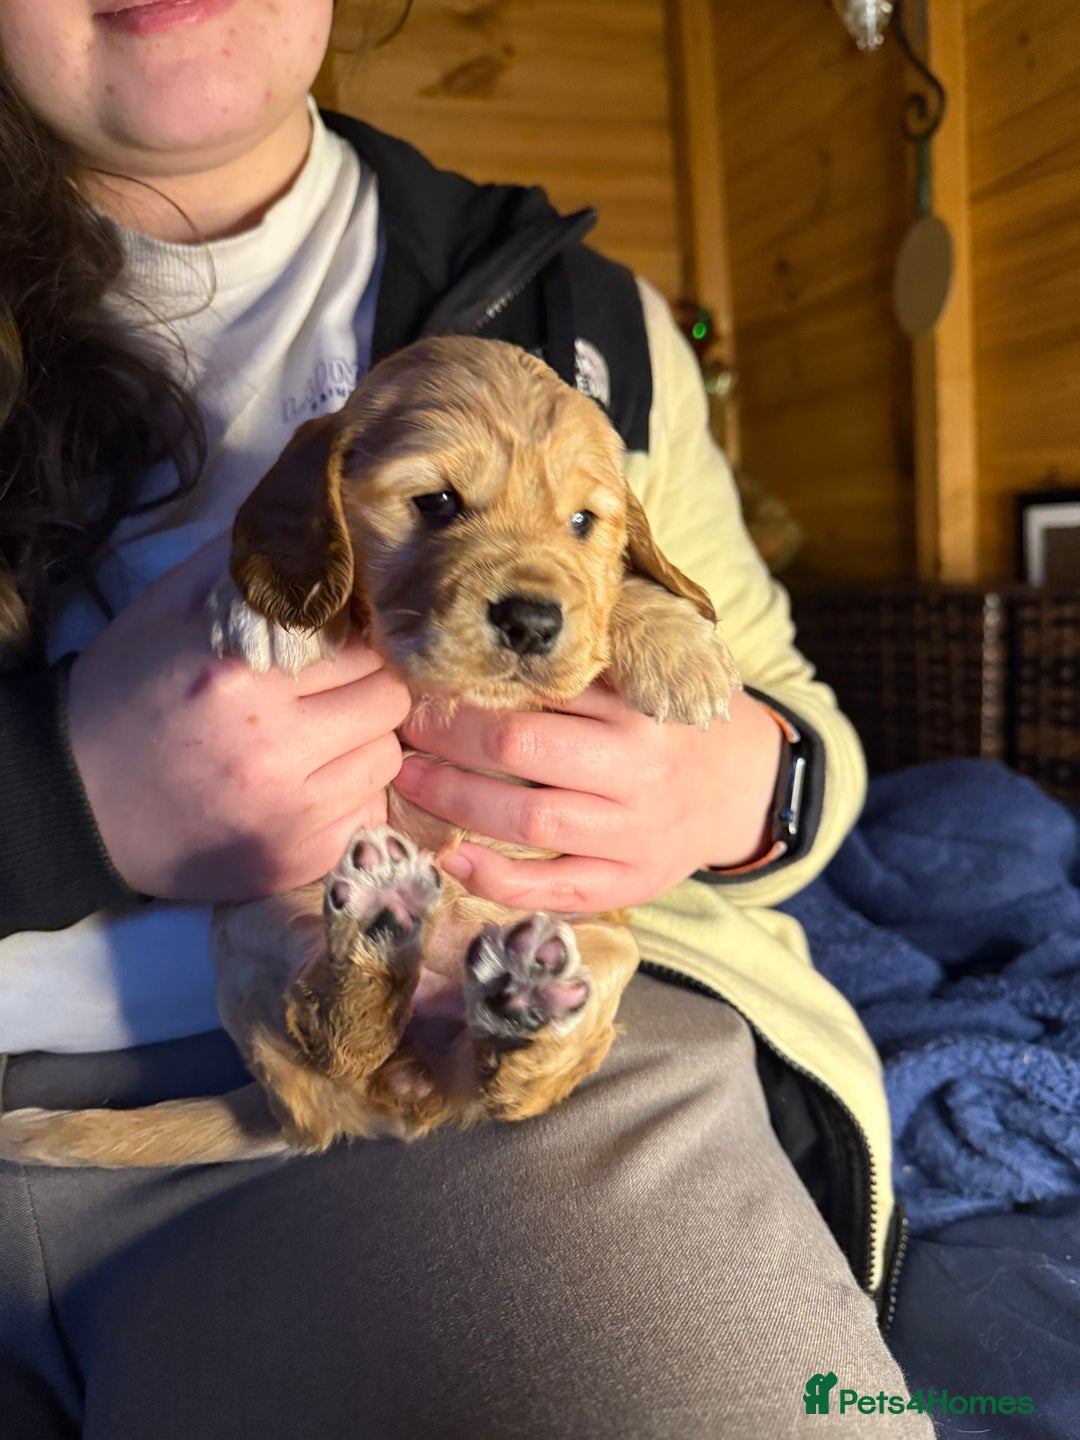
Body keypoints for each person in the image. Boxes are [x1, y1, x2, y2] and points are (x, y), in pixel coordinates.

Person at [0, 2, 933, 1435]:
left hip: (486, 1065)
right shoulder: (306, 494)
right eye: (433, 506)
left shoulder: (591, 318)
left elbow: (797, 722)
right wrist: (56, 799)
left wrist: (744, 785)